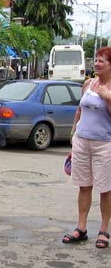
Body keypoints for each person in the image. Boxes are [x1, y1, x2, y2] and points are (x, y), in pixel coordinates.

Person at [62, 46, 111, 249]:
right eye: (96, 59)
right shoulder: (88, 84)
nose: (97, 63)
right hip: (82, 140)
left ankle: (104, 230)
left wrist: (107, 96)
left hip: (104, 144)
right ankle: (81, 228)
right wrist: (74, 136)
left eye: (102, 60)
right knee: (84, 186)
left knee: (105, 189)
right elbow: (80, 111)